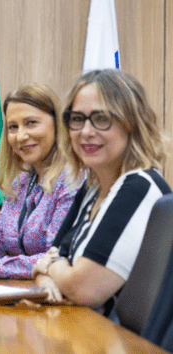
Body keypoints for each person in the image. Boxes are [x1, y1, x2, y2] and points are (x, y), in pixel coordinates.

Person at [32, 69, 171, 314]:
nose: (86, 131)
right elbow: (46, 261)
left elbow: (85, 289)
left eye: (102, 118)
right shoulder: (91, 189)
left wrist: (51, 267)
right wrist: (48, 273)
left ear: (132, 124)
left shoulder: (138, 186)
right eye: (77, 119)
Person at [0, 83, 79, 279]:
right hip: (24, 292)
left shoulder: (74, 181)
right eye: (13, 127)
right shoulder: (21, 182)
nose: (20, 136)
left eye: (31, 123)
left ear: (58, 124)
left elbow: (56, 257)